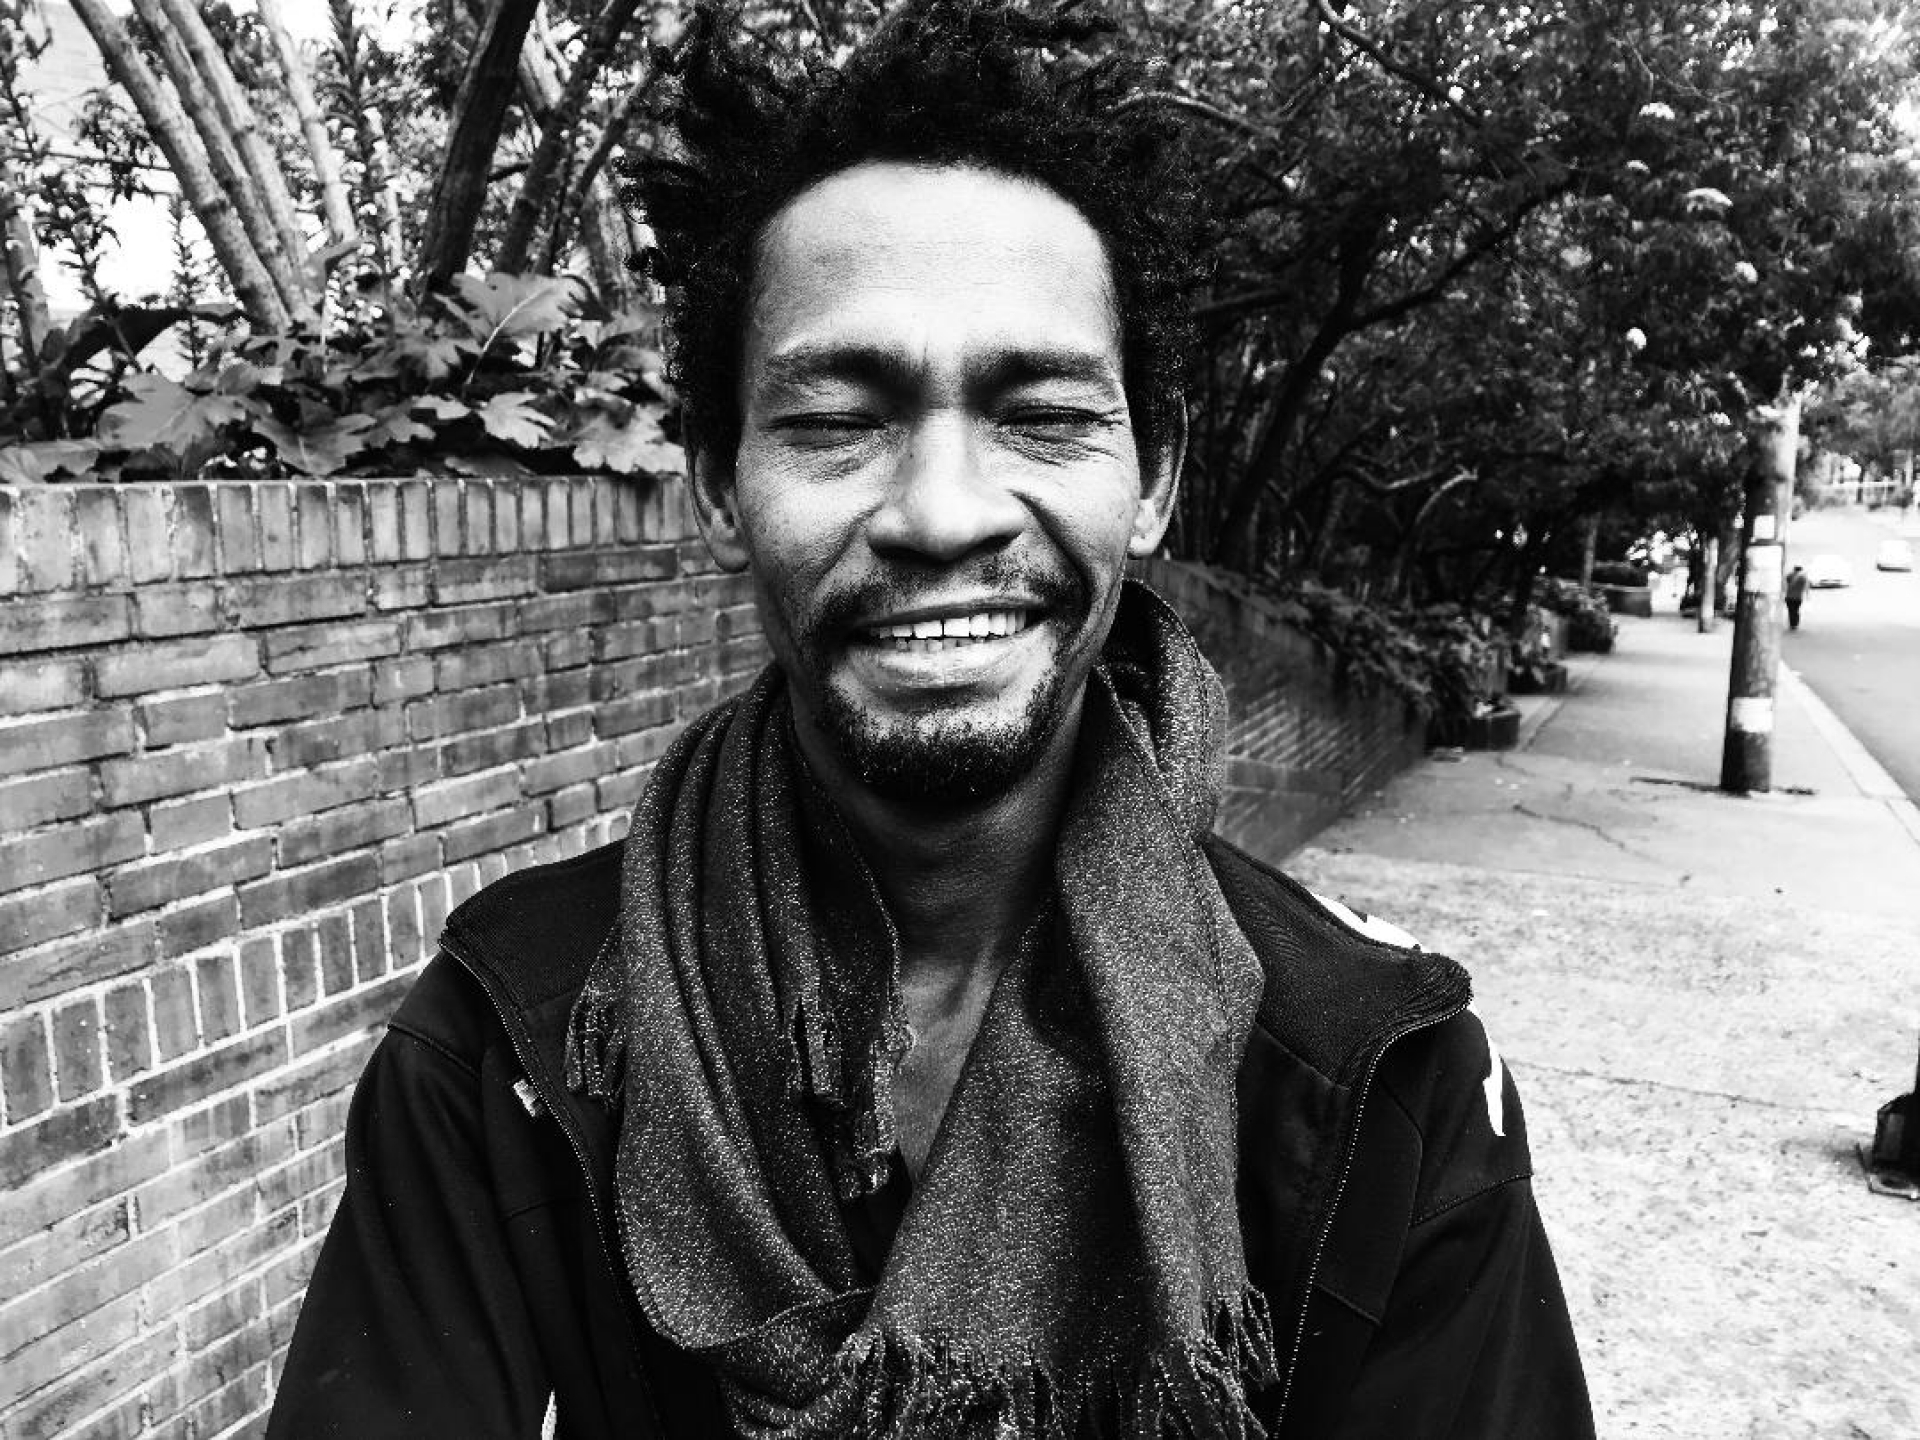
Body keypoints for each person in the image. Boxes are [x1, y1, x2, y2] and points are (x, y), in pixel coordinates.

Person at [267, 4, 1593, 1436]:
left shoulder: (1380, 1083)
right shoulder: (509, 1052)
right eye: (838, 420)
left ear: (1154, 480)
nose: (944, 512)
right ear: (716, 481)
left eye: (1043, 414)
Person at [1785, 563, 1809, 630]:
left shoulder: (1789, 575)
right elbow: (1805, 587)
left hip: (1789, 596)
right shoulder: (1803, 577)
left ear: (1794, 569)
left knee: (1791, 611)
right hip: (1798, 597)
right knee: (1796, 610)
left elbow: (1787, 582)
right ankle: (1795, 624)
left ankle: (1792, 624)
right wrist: (1807, 595)